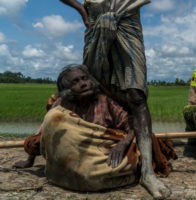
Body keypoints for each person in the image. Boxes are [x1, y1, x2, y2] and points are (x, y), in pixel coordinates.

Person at [58, 0, 171, 198]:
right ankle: (93, 146)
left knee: (136, 95)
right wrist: (82, 11)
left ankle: (147, 173)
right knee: (94, 87)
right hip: (95, 15)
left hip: (127, 15)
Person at [13, 65, 177, 193]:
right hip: (74, 156)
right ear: (67, 90)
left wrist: (123, 143)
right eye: (75, 82)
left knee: (118, 163)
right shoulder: (62, 105)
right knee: (52, 119)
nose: (83, 83)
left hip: (99, 154)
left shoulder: (105, 102)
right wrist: (29, 160)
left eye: (84, 78)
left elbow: (133, 126)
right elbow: (45, 132)